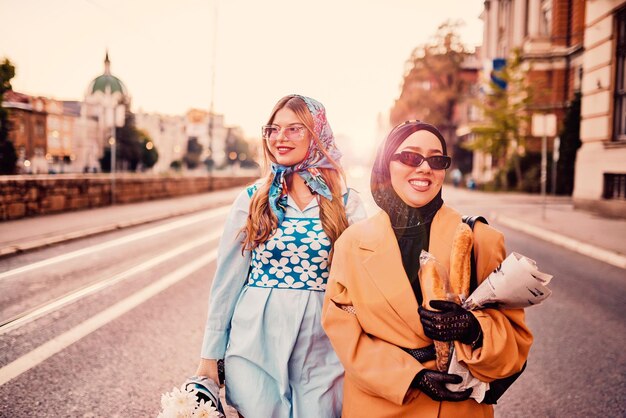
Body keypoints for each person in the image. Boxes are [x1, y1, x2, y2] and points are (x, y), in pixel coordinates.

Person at [321, 120, 532, 417]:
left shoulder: (481, 240)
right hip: (381, 404)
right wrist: (411, 377)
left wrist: (473, 329)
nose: (424, 168)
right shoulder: (351, 244)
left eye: (436, 159)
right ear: (385, 164)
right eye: (409, 157)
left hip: (457, 408)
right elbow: (345, 335)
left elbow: (515, 342)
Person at [194, 94, 367, 418]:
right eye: (273, 129)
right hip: (255, 342)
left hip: (323, 348)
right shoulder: (252, 200)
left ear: (317, 134)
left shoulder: (347, 204)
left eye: (293, 129)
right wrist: (209, 356)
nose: (279, 138)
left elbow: (365, 283)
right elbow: (227, 283)